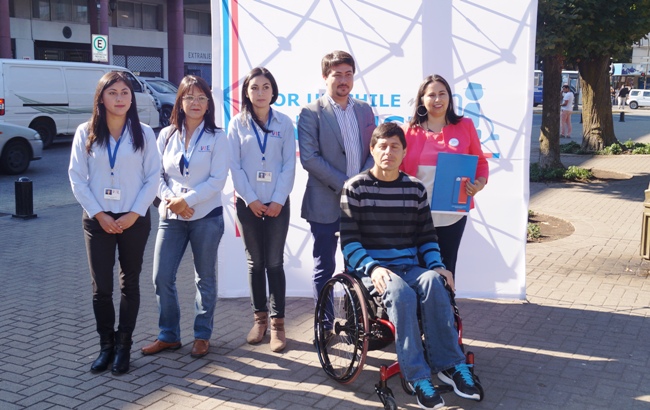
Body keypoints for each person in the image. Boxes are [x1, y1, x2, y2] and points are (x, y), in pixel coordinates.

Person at [341, 122, 482, 409]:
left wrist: (437, 265)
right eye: (382, 146)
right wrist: (373, 268)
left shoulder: (415, 188)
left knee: (433, 281)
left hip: (408, 265)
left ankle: (450, 365)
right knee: (402, 294)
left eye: (395, 147)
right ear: (372, 149)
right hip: (375, 270)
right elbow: (349, 243)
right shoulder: (354, 187)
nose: (388, 152)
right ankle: (418, 377)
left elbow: (427, 237)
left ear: (404, 152)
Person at [69, 71, 159, 375]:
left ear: (131, 98)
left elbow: (153, 178)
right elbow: (77, 178)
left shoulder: (144, 133)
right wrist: (99, 214)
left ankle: (124, 346)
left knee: (129, 284)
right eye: (113, 93)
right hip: (98, 221)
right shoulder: (86, 132)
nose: (120, 98)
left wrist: (134, 213)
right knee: (101, 288)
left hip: (135, 218)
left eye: (125, 93)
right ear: (101, 97)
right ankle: (105, 346)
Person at [140, 75, 228, 359]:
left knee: (205, 278)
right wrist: (171, 201)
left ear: (208, 103)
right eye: (190, 97)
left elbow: (217, 180)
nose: (196, 103)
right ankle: (169, 335)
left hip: (206, 216)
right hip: (171, 217)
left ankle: (202, 335)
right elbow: (155, 175)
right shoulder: (165, 135)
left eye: (202, 97)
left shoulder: (218, 137)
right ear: (180, 100)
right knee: (161, 276)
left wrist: (185, 201)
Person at [297, 50, 376, 305]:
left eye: (348, 74)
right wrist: (347, 186)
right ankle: (326, 324)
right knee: (325, 268)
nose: (343, 80)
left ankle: (355, 324)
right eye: (337, 75)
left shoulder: (364, 110)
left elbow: (375, 150)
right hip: (325, 204)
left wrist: (361, 184)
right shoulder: (311, 112)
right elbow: (309, 158)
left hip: (361, 204)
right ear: (325, 77)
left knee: (358, 267)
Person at [227, 67, 296, 352]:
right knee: (256, 264)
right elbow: (235, 166)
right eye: (254, 87)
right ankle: (260, 321)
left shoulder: (285, 122)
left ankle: (279, 326)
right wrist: (251, 199)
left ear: (273, 90)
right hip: (248, 205)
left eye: (266, 87)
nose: (260, 92)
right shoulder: (237, 124)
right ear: (246, 92)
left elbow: (289, 164)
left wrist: (278, 199)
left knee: (275, 263)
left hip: (279, 203)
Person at [400, 74, 488, 278]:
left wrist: (478, 184)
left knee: (447, 266)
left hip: (452, 214)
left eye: (442, 94)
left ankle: (446, 308)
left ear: (450, 97)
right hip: (417, 214)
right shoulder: (408, 131)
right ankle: (419, 310)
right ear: (422, 99)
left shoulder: (465, 126)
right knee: (418, 268)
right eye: (431, 95)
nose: (437, 99)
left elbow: (480, 163)